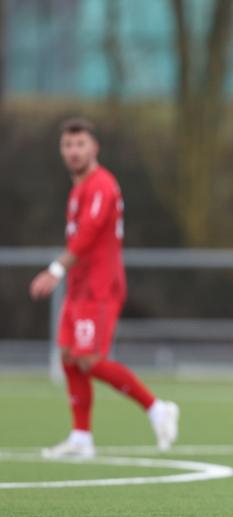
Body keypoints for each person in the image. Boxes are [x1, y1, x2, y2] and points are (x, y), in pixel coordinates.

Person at [29, 118, 179, 458]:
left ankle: (157, 408)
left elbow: (89, 233)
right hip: (79, 287)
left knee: (89, 359)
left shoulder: (102, 185)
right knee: (69, 356)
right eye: (68, 145)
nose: (74, 151)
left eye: (80, 144)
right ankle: (81, 437)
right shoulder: (79, 188)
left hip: (100, 287)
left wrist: (56, 268)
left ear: (94, 147)